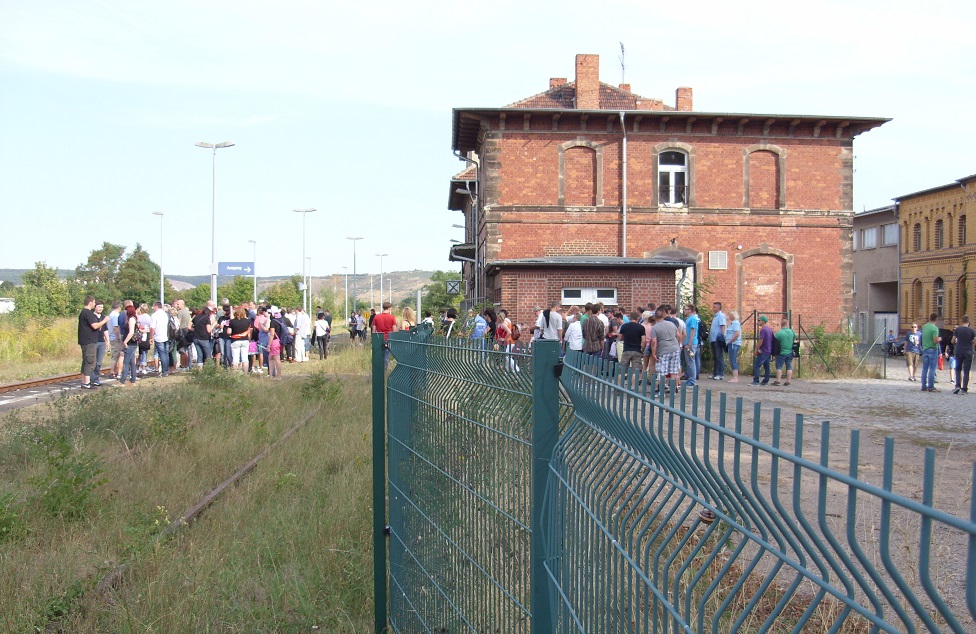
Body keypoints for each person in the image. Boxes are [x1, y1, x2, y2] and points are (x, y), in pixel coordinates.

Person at [77, 295, 110, 389]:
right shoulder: (88, 313)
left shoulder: (83, 313)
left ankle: (84, 381)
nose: (95, 304)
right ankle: (86, 382)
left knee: (86, 361)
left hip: (85, 340)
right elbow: (95, 326)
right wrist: (105, 320)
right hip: (89, 341)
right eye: (94, 303)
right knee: (90, 361)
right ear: (91, 303)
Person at [648, 308, 682, 394]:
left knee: (662, 372)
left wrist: (653, 353)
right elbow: (678, 335)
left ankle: (661, 391)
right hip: (675, 349)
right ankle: (673, 390)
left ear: (655, 317)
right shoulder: (671, 324)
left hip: (663, 350)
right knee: (674, 371)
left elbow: (654, 342)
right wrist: (677, 345)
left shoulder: (655, 327)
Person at [951, 315, 975, 394]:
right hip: (968, 351)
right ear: (968, 322)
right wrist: (971, 344)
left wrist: (956, 343)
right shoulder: (972, 330)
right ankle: (964, 389)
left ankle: (957, 386)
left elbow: (953, 340)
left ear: (962, 321)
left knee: (958, 369)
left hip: (959, 351)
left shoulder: (958, 329)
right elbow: (975, 341)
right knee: (966, 371)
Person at [373, 301, 399, 369]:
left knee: (379, 355)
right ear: (389, 308)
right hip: (388, 339)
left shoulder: (376, 317)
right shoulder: (392, 317)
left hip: (379, 339)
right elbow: (394, 331)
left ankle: (378, 368)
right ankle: (385, 369)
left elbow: (374, 330)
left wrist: (374, 339)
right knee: (386, 355)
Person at [149, 301, 172, 377]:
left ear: (156, 306)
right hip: (166, 336)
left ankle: (164, 371)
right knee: (166, 353)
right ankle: (166, 370)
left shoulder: (154, 315)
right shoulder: (165, 314)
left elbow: (152, 328)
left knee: (162, 354)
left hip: (159, 336)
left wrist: (151, 337)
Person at [120, 303, 140, 385]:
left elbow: (131, 332)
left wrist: (125, 342)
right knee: (132, 362)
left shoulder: (131, 319)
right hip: (132, 343)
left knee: (126, 362)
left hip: (130, 343)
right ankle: (133, 379)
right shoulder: (132, 318)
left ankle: (122, 380)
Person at [920, 313, 941, 392]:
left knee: (924, 368)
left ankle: (923, 386)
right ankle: (931, 386)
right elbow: (935, 341)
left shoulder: (924, 327)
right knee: (932, 369)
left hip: (925, 349)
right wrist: (939, 339)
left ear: (929, 318)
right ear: (936, 319)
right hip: (932, 349)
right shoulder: (934, 328)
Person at [90, 300, 109, 385]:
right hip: (93, 341)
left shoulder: (103, 317)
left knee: (99, 362)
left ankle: (96, 379)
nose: (100, 308)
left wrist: (107, 340)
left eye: (102, 307)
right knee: (92, 361)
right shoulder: (91, 316)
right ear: (95, 307)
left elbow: (105, 330)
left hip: (101, 341)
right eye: (99, 307)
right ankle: (90, 379)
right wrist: (104, 321)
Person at [228, 304, 252, 373]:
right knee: (245, 359)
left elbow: (229, 332)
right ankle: (245, 374)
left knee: (235, 359)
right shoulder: (247, 321)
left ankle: (235, 374)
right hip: (245, 340)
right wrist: (249, 340)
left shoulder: (232, 321)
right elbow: (249, 332)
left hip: (235, 340)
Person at [772, 319, 796, 386]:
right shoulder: (792, 332)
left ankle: (778, 380)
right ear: (787, 324)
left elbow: (775, 344)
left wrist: (774, 353)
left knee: (779, 367)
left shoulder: (778, 333)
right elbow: (794, 340)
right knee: (789, 367)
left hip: (781, 353)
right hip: (790, 352)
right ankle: (788, 381)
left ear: (781, 324)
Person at [682, 304, 701, 386]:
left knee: (690, 361)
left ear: (690, 310)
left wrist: (689, 343)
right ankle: (690, 378)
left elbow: (693, 331)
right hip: (689, 343)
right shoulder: (689, 319)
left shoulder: (692, 319)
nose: (684, 311)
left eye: (686, 309)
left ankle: (692, 380)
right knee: (689, 361)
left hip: (691, 343)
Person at [708, 302, 727, 380]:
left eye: (715, 307)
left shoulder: (720, 316)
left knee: (719, 356)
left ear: (719, 308)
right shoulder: (715, 316)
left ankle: (720, 373)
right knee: (715, 357)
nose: (713, 308)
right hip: (713, 339)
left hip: (718, 339)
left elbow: (722, 326)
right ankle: (715, 373)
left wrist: (722, 337)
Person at [751, 316, 773, 386]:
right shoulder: (769, 329)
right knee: (766, 366)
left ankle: (756, 380)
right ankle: (766, 380)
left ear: (763, 321)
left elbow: (761, 340)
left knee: (757, 365)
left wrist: (756, 348)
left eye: (759, 320)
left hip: (763, 350)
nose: (757, 322)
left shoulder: (763, 330)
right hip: (769, 350)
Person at [725, 310, 742, 383]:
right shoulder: (732, 323)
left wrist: (730, 341)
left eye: (730, 315)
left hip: (733, 344)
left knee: (733, 360)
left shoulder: (735, 323)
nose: (729, 316)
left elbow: (737, 333)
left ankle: (735, 377)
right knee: (732, 360)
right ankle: (735, 377)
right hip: (732, 343)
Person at [107, 300, 123, 379]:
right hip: (115, 337)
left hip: (111, 336)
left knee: (115, 355)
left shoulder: (110, 315)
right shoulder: (115, 316)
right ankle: (112, 371)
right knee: (116, 355)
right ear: (119, 307)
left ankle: (114, 370)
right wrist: (119, 337)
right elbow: (116, 327)